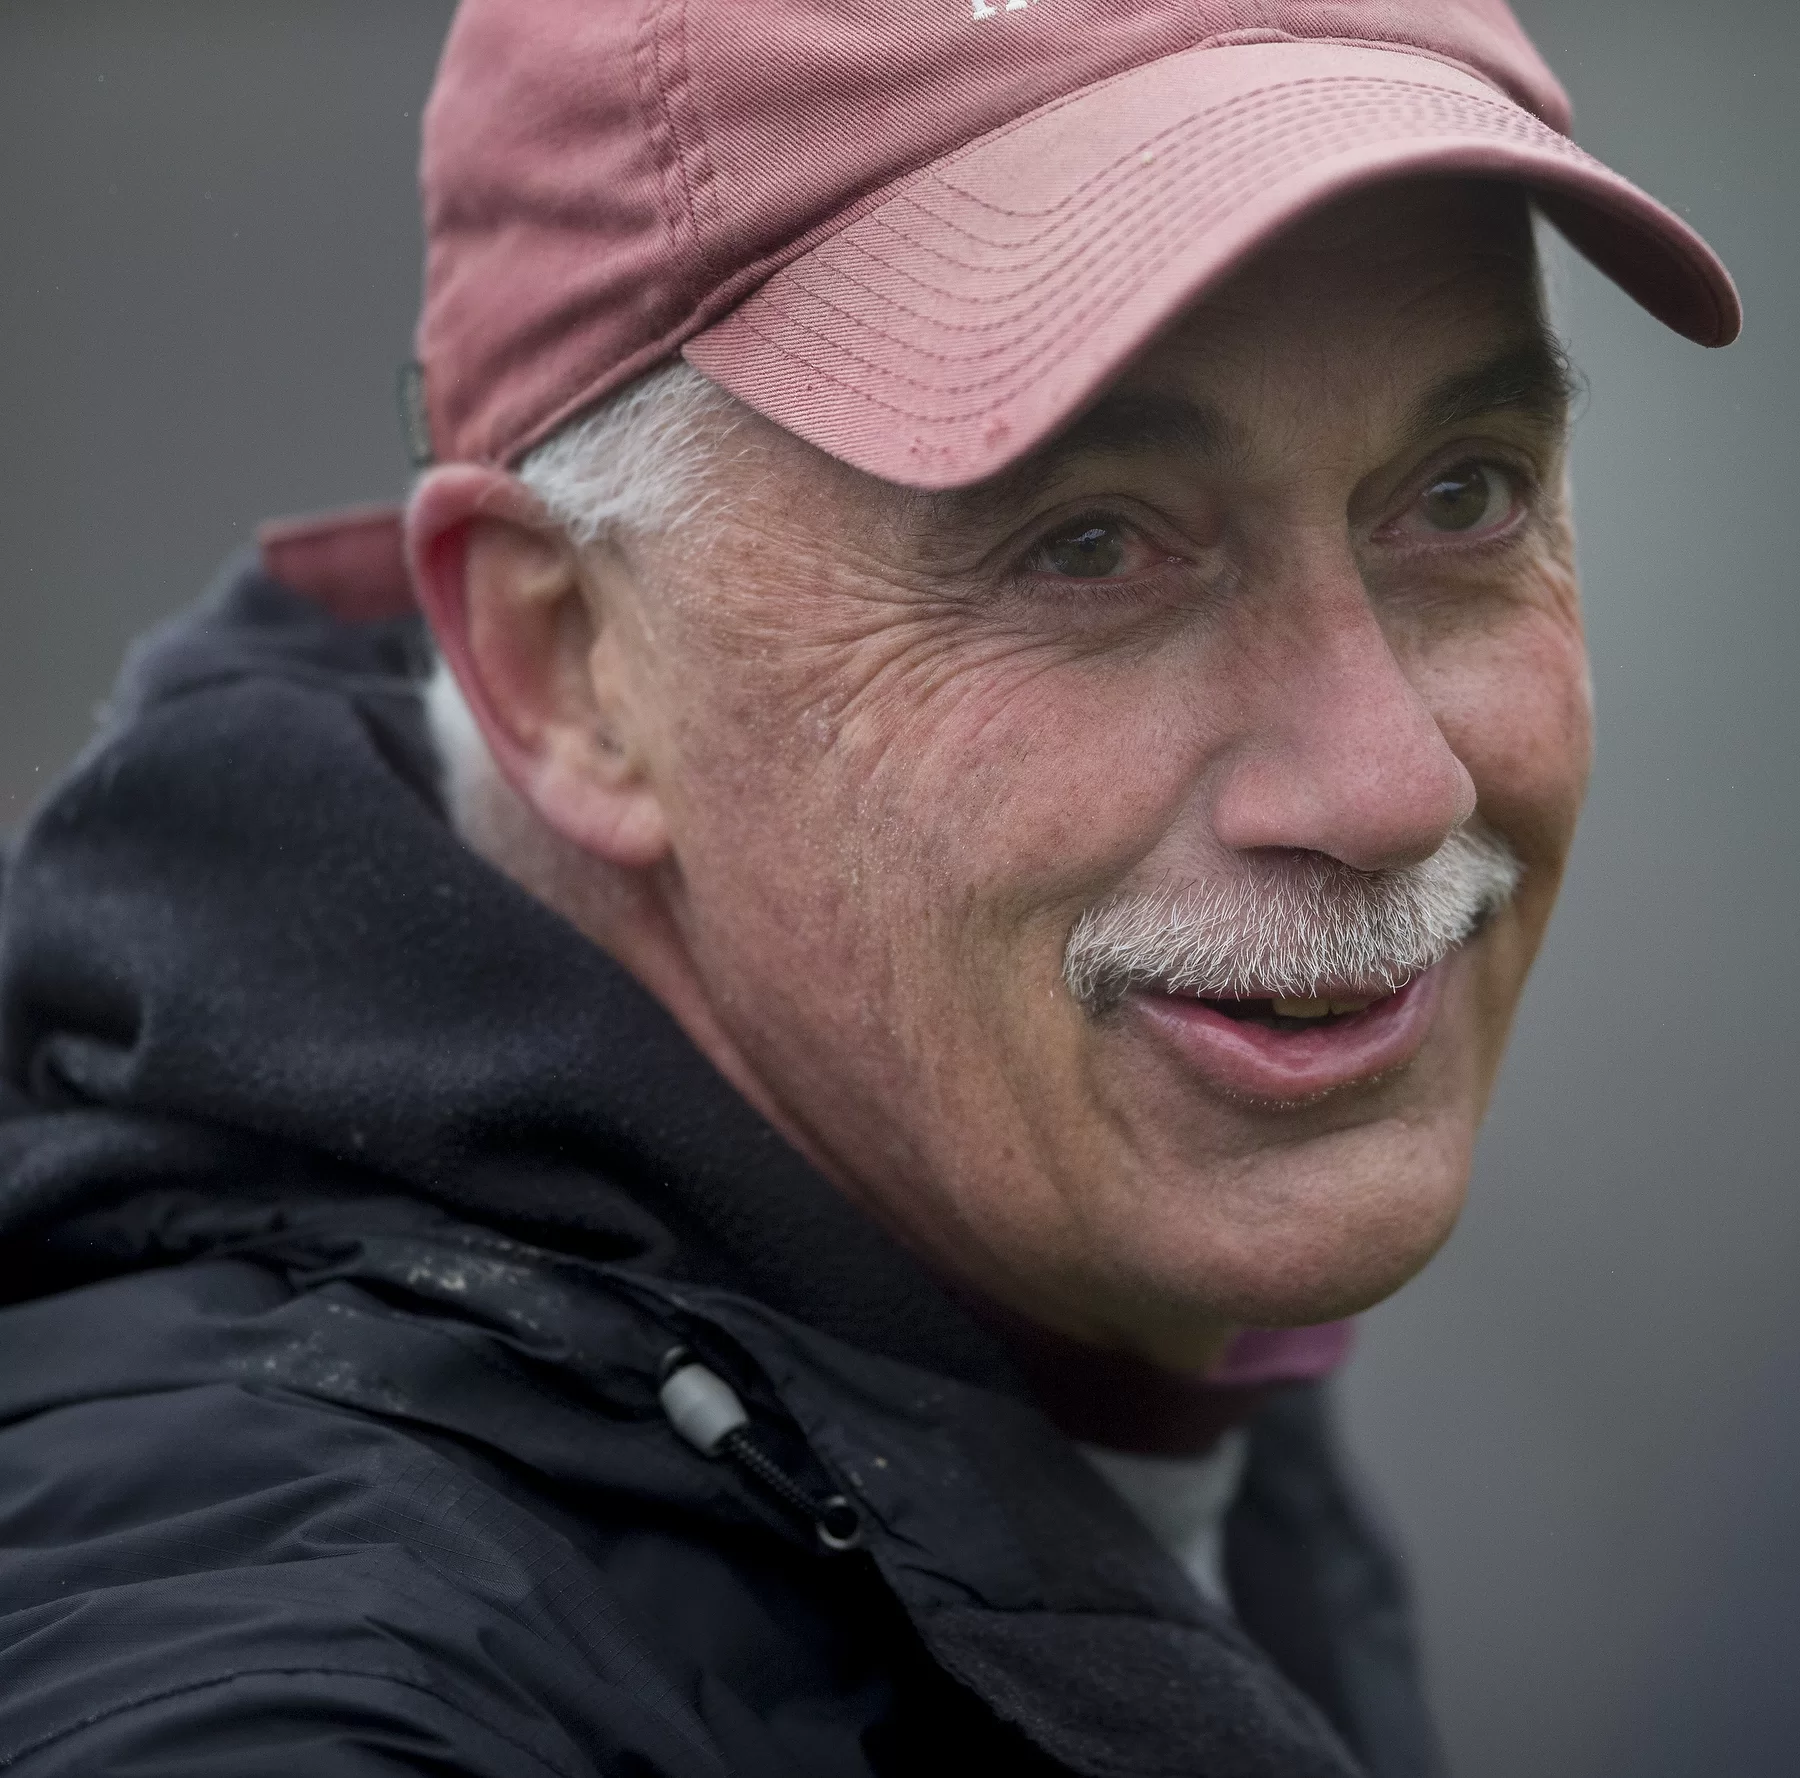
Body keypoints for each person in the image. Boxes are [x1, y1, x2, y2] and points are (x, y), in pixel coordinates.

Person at [0, 2, 1739, 1774]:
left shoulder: (1038, 1260)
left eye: (1465, 492)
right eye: (1092, 542)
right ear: (572, 666)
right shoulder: (303, 1686)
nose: (1389, 784)